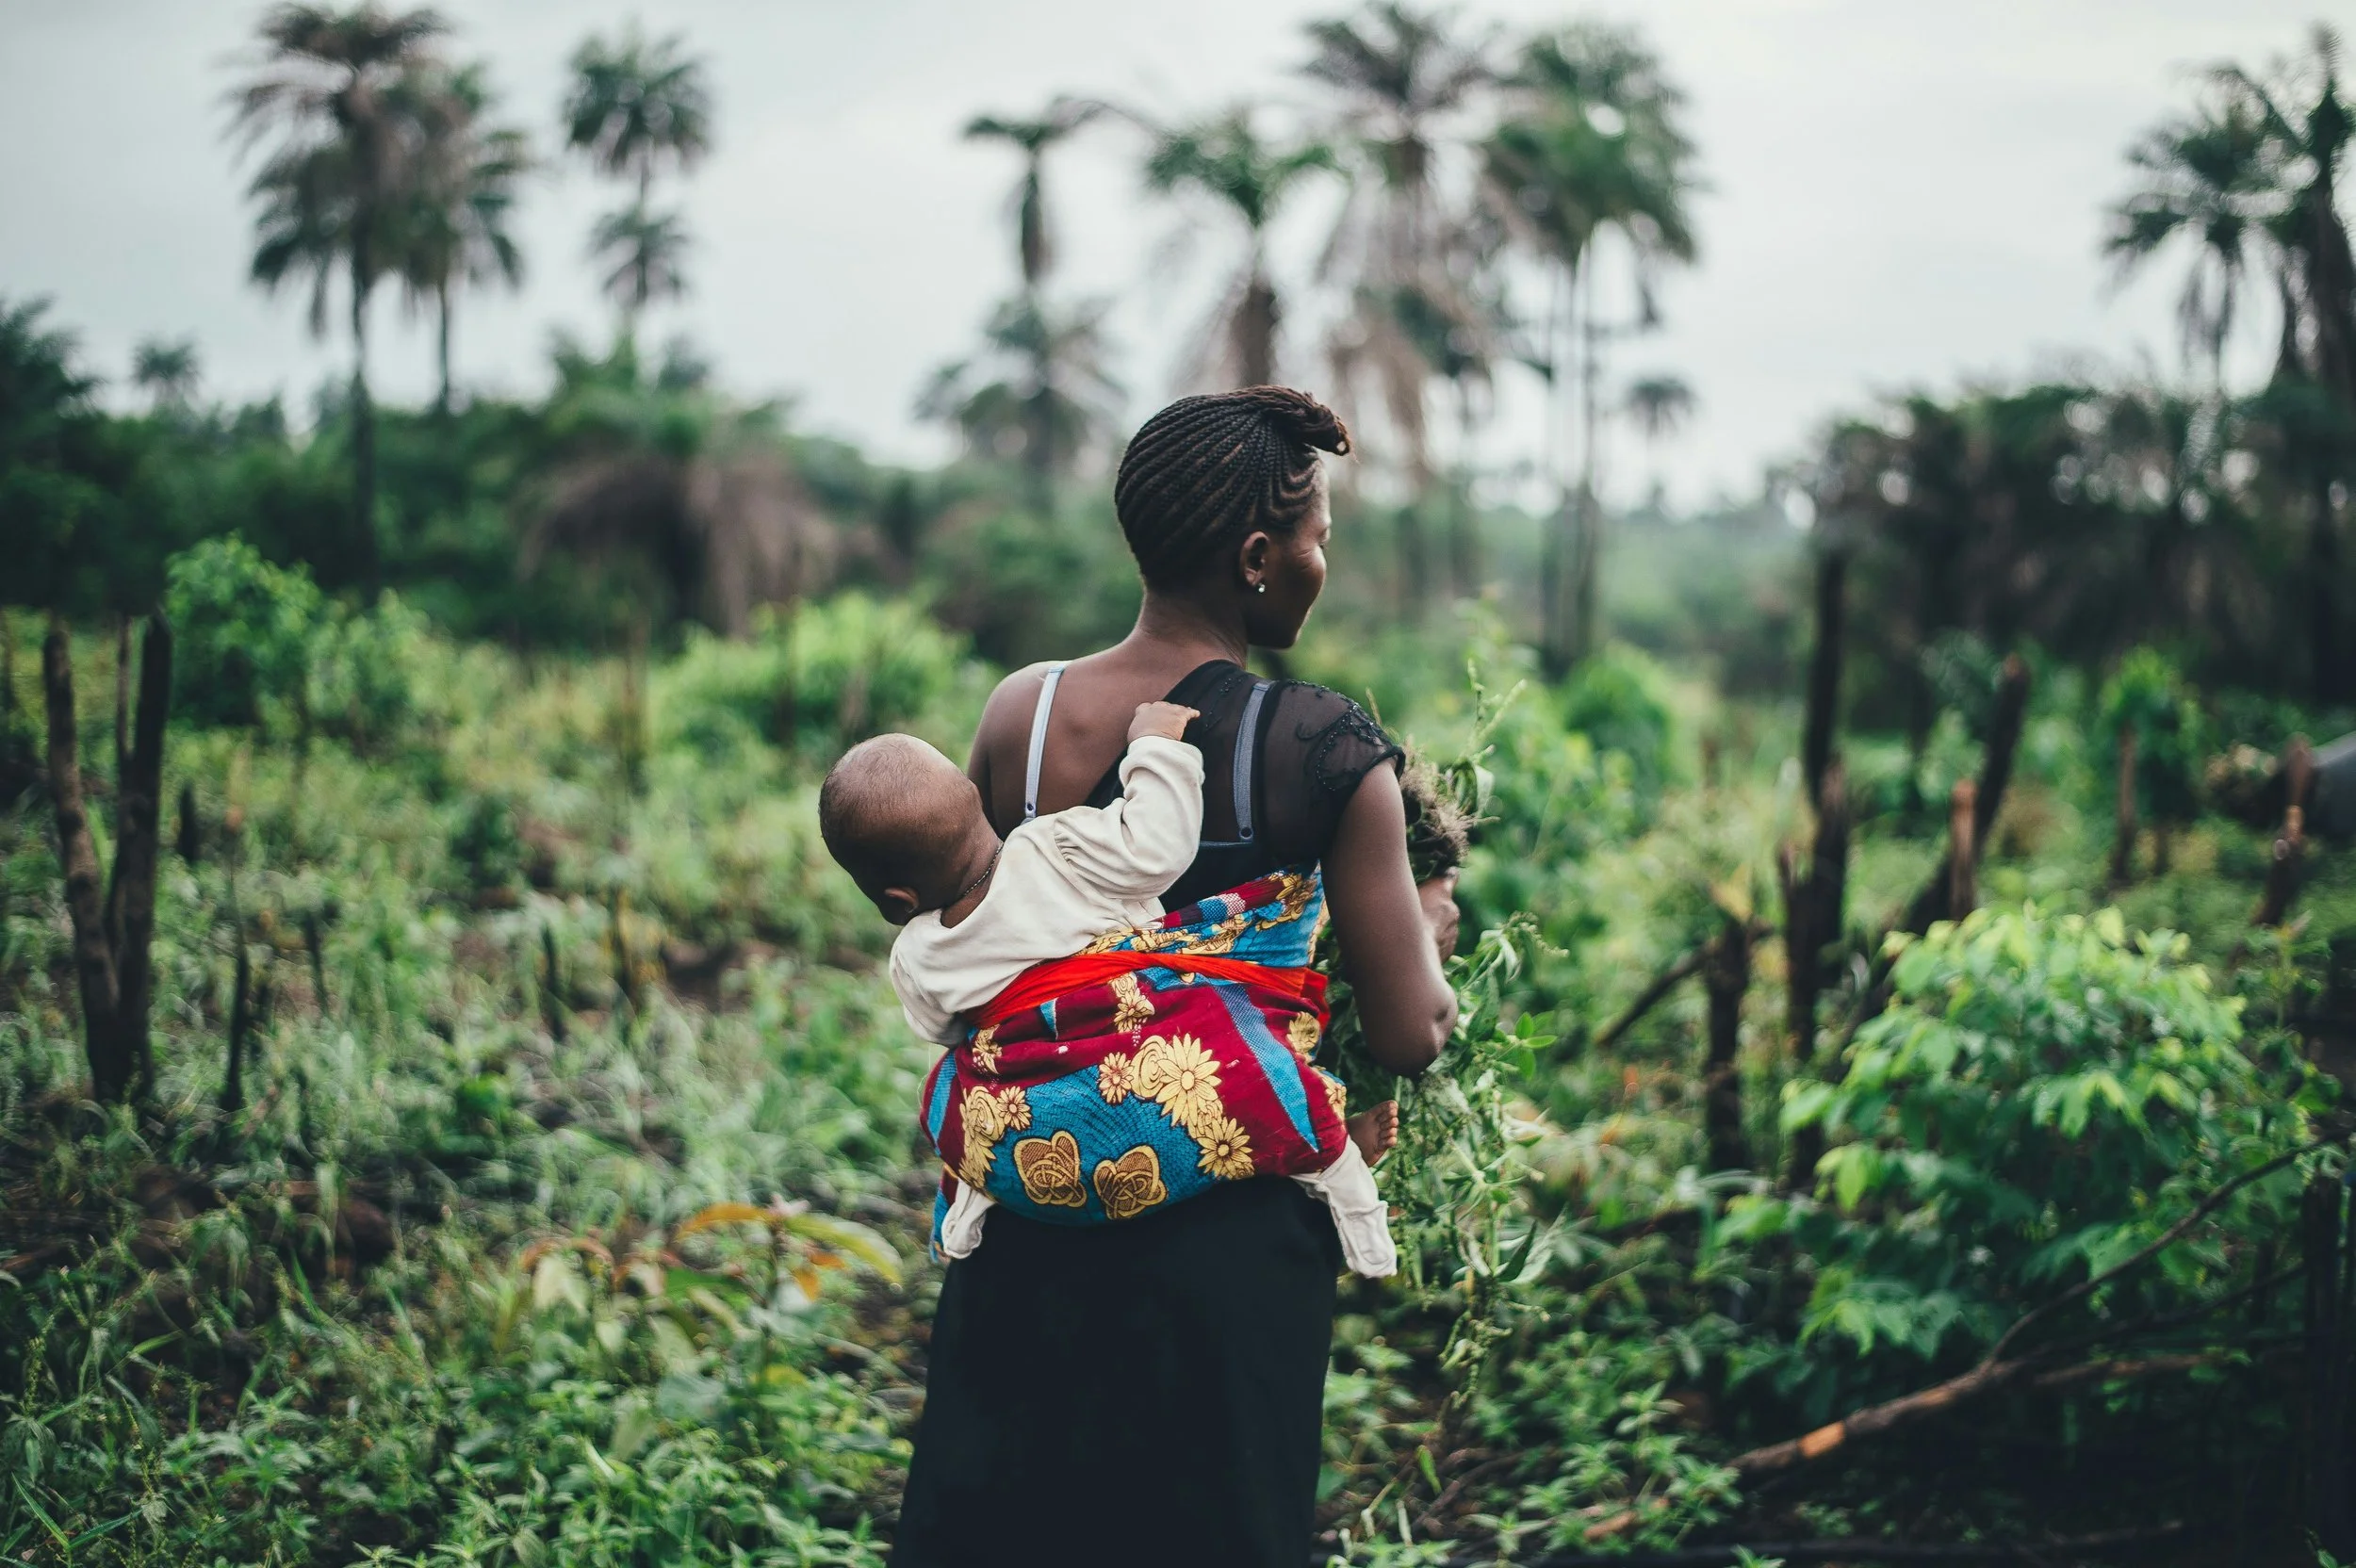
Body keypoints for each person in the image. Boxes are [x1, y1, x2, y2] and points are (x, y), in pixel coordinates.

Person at [890, 386, 1458, 1568]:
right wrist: (1429, 935)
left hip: (1032, 1214)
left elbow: (996, 937)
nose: (1319, 562)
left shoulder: (1021, 715)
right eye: (1316, 539)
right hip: (1225, 1258)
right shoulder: (1324, 749)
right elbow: (1408, 1035)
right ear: (1258, 556)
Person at [816, 700, 1399, 1274]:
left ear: (896, 902)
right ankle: (1342, 1178)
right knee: (1249, 1067)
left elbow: (946, 1031)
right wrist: (1155, 747)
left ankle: (972, 1198)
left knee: (950, 1090)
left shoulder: (916, 955)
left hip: (1036, 1126)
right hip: (1143, 1062)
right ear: (975, 800)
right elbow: (1156, 849)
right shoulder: (1053, 847)